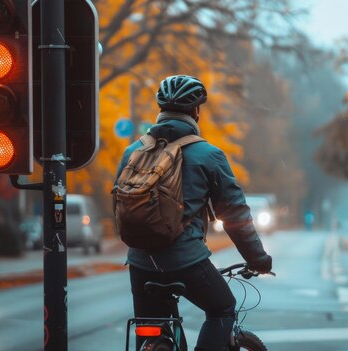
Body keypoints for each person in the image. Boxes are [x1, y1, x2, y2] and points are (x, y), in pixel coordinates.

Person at [114, 75, 273, 351]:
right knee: (223, 308)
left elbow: (119, 204)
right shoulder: (208, 155)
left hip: (140, 263)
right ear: (196, 112)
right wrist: (258, 260)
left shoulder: (132, 152)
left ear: (160, 110)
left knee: (149, 328)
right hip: (185, 260)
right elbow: (235, 215)